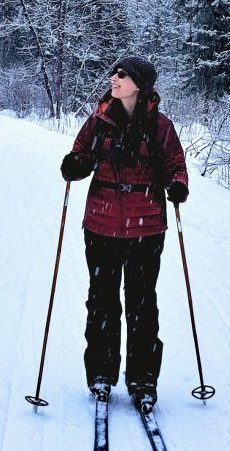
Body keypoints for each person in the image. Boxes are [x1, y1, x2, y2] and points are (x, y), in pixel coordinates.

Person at [60, 56, 189, 412]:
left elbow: (175, 164)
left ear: (140, 85)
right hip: (101, 225)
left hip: (146, 229)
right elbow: (81, 155)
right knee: (102, 301)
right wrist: (75, 165)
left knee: (142, 304)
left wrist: (177, 184)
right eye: (115, 73)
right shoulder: (99, 122)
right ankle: (101, 375)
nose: (114, 78)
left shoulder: (159, 126)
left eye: (123, 74)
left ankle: (143, 380)